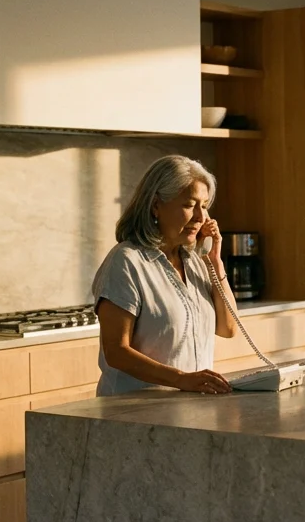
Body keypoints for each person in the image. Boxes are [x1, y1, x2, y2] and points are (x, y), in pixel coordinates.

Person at [92, 155, 239, 396]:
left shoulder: (195, 261)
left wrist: (215, 260)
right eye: (189, 205)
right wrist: (181, 379)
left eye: (204, 206)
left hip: (188, 409)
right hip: (131, 410)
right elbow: (116, 351)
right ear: (155, 206)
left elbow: (228, 328)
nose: (201, 217)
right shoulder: (126, 261)